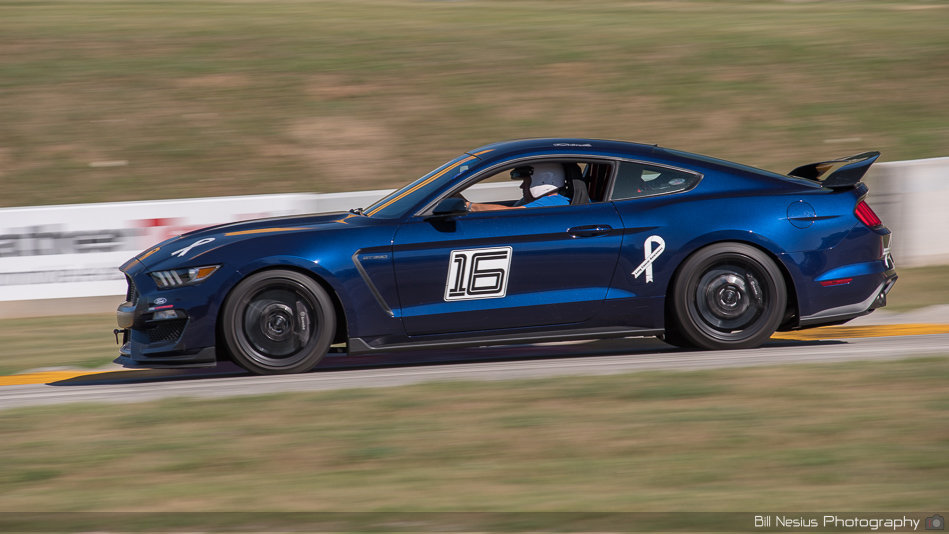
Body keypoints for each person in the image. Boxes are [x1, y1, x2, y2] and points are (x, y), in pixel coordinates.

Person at [467, 163, 570, 211]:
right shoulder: (550, 200)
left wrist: (469, 206)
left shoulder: (552, 202)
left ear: (544, 180)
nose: (521, 186)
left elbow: (510, 214)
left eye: (525, 181)